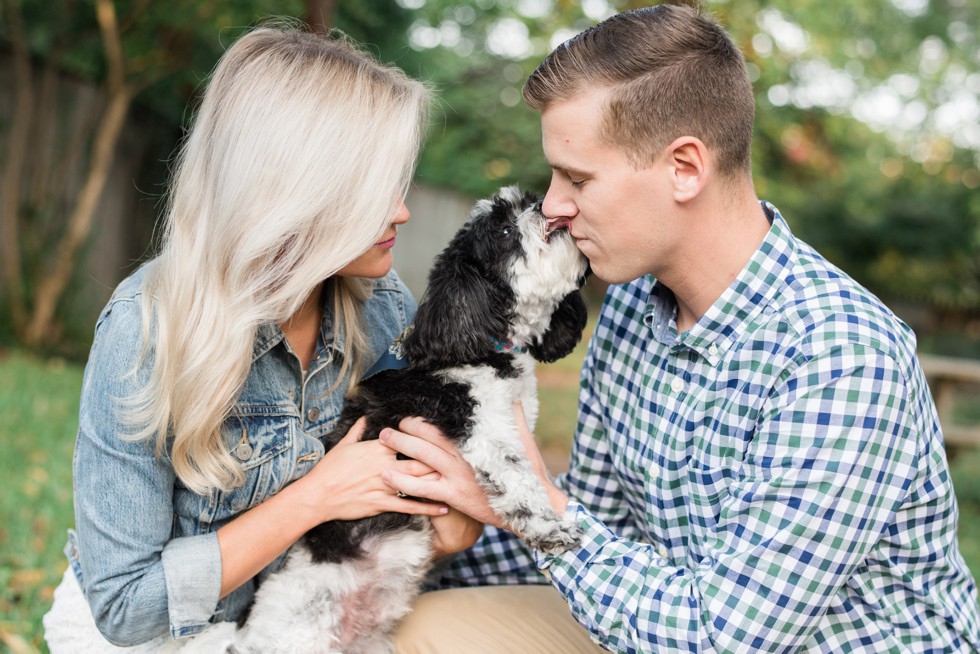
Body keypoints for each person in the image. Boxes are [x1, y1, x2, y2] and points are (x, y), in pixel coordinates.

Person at [383, 4, 980, 653]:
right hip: (668, 621)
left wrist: (527, 500)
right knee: (411, 626)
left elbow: (720, 639)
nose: (552, 205)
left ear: (686, 168)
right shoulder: (635, 310)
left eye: (578, 177)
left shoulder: (840, 354)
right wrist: (429, 539)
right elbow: (599, 536)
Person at [42, 24, 484, 651]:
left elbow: (383, 517)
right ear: (296, 189)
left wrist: (449, 528)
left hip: (290, 621)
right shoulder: (149, 330)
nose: (402, 212)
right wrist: (314, 498)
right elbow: (124, 608)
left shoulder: (384, 311)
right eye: (374, 187)